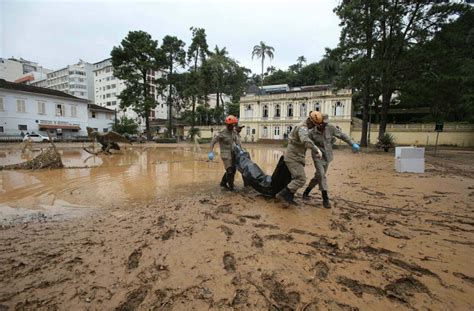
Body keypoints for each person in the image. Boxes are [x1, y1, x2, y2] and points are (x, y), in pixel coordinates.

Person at [303, 112, 360, 208]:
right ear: (318, 123)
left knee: (318, 176)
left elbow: (342, 135)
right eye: (322, 124)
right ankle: (325, 198)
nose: (324, 125)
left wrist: (352, 143)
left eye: (325, 123)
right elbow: (305, 143)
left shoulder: (330, 128)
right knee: (321, 175)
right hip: (317, 155)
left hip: (327, 156)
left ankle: (306, 191)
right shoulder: (312, 132)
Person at [277, 111, 323, 204]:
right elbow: (305, 140)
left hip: (297, 157)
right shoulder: (302, 127)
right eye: (314, 125)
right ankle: (282, 194)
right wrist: (316, 149)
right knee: (301, 179)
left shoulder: (304, 127)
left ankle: (289, 199)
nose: (314, 127)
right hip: (293, 157)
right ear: (310, 121)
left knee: (295, 178)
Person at [209, 115, 238, 191]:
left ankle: (223, 182)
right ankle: (231, 188)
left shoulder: (233, 132)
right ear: (227, 125)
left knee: (234, 170)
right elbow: (213, 142)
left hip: (232, 153)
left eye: (233, 125)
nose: (232, 126)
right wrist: (211, 152)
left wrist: (240, 150)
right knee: (229, 171)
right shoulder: (221, 133)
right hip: (225, 154)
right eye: (231, 125)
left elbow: (237, 141)